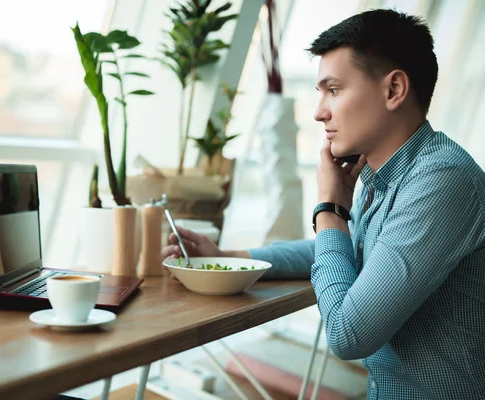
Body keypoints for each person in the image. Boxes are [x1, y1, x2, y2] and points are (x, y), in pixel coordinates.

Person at [162, 9, 485, 399]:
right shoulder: (384, 174)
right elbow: (357, 251)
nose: (319, 112)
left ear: (394, 90)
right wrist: (231, 257)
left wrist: (330, 210)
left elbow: (348, 334)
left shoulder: (442, 181)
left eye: (333, 90)